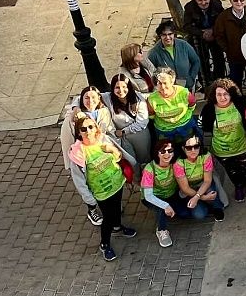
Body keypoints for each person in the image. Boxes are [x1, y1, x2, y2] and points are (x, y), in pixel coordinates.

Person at [69, 114, 137, 261]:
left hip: (117, 182)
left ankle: (118, 227)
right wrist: (88, 199)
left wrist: (112, 150)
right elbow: (78, 179)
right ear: (78, 132)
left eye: (90, 127)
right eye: (83, 128)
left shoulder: (104, 139)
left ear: (96, 128)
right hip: (101, 192)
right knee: (108, 218)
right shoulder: (78, 153)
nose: (87, 131)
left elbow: (119, 157)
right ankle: (104, 244)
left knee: (117, 207)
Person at [200, 78, 246, 202]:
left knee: (245, 169)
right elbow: (205, 130)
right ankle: (238, 186)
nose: (222, 98)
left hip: (242, 146)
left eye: (225, 94)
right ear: (214, 95)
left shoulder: (240, 104)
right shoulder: (208, 109)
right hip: (221, 150)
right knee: (232, 171)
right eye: (219, 94)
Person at [173, 132, 227, 222]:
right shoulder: (178, 163)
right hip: (189, 188)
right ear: (183, 148)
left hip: (204, 183)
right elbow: (185, 188)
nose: (193, 150)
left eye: (196, 146)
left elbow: (207, 180)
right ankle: (205, 202)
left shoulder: (206, 156)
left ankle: (217, 207)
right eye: (189, 148)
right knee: (199, 215)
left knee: (211, 190)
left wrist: (197, 196)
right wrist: (202, 197)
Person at [141, 140, 185, 248]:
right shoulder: (149, 169)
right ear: (157, 152)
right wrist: (165, 205)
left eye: (170, 150)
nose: (167, 154)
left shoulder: (175, 164)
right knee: (161, 209)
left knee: (184, 213)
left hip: (172, 194)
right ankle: (161, 230)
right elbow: (148, 196)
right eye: (163, 151)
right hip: (154, 197)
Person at [103, 74, 152, 165]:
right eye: (117, 87)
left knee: (144, 160)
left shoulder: (138, 99)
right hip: (122, 138)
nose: (121, 91)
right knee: (130, 162)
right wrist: (75, 108)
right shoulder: (108, 98)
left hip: (139, 135)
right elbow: (85, 96)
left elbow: (142, 122)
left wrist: (124, 131)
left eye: (124, 87)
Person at [182, 0, 227, 83]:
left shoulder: (217, 4)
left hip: (214, 36)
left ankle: (220, 80)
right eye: (200, 0)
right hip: (198, 38)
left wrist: (212, 31)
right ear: (196, 0)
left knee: (219, 59)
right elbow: (186, 26)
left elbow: (222, 20)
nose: (203, 2)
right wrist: (202, 33)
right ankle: (205, 82)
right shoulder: (189, 7)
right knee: (201, 61)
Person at [213, 0, 246, 85]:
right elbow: (218, 35)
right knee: (235, 83)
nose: (239, 2)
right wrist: (228, 49)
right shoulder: (223, 17)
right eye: (235, 0)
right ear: (230, 0)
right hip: (234, 56)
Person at [147, 68, 199, 145]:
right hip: (165, 132)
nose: (163, 87)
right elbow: (151, 115)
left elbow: (192, 105)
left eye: (165, 83)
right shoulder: (152, 99)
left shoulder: (184, 93)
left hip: (185, 126)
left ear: (172, 81)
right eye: (159, 83)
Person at [147, 21, 202, 91]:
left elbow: (196, 61)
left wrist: (191, 77)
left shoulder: (184, 45)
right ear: (160, 36)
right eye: (164, 35)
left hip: (187, 87)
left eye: (170, 34)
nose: (167, 37)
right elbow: (151, 72)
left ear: (174, 34)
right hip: (168, 90)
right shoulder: (154, 53)